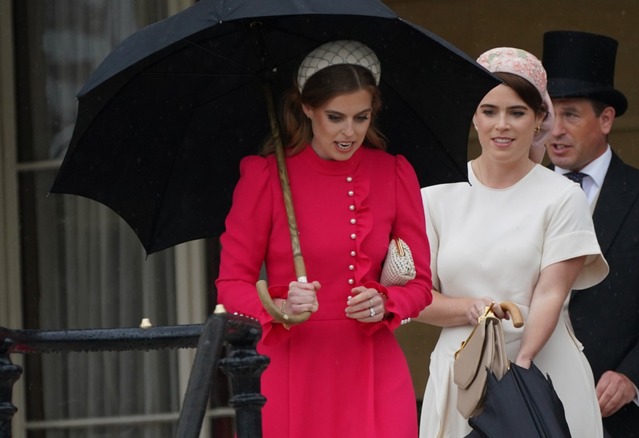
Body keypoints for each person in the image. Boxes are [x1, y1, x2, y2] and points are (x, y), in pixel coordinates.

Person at [215, 40, 433, 438]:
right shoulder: (264, 178)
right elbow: (230, 285)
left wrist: (385, 301)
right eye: (335, 117)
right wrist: (278, 305)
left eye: (361, 117)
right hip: (292, 369)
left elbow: (421, 285)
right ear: (306, 107)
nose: (349, 132)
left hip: (374, 368)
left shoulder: (394, 173)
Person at [417, 47, 609, 438]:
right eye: (489, 111)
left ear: (540, 119)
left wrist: (518, 374)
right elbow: (416, 297)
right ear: (473, 114)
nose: (501, 125)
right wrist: (470, 309)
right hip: (462, 374)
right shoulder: (435, 194)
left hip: (540, 368)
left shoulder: (562, 196)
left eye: (517, 112)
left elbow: (550, 293)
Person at [541, 30, 639, 438]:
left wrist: (633, 376)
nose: (555, 130)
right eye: (548, 115)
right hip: (530, 405)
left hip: (617, 414)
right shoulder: (518, 197)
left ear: (606, 119)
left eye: (571, 115)